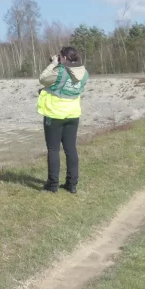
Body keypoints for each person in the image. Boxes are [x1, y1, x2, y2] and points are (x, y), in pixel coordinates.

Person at [37, 46, 89, 194]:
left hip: (54, 115)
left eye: (61, 57)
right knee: (71, 149)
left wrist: (54, 63)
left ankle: (53, 185)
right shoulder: (84, 73)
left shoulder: (59, 72)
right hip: (72, 115)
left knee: (53, 150)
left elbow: (43, 78)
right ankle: (72, 184)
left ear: (65, 58)